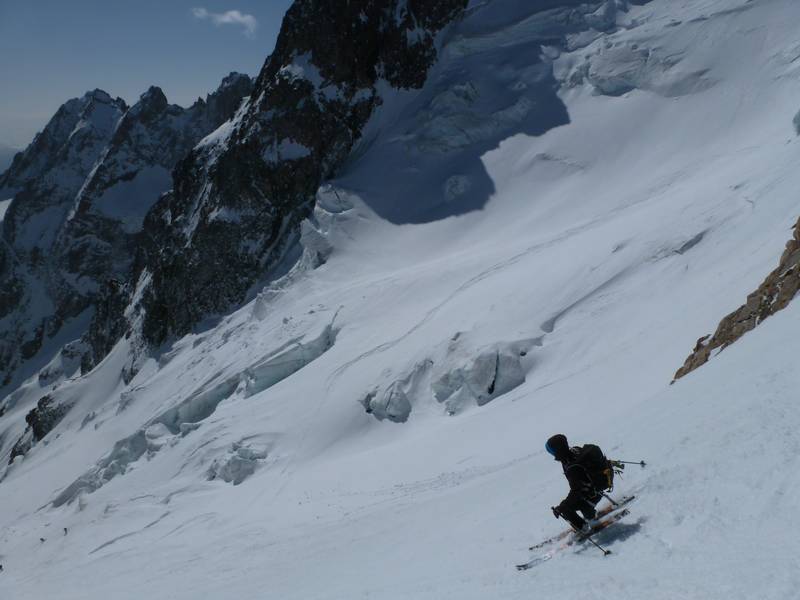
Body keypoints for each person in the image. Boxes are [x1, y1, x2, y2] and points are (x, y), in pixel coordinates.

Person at [546, 433, 615, 534]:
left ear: (557, 451)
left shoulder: (572, 467)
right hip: (599, 486)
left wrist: (562, 507)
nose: (552, 454)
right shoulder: (576, 451)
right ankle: (589, 516)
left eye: (552, 451)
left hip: (592, 495)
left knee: (566, 508)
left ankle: (586, 525)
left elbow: (576, 492)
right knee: (571, 502)